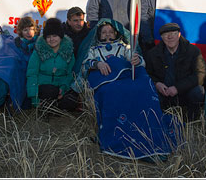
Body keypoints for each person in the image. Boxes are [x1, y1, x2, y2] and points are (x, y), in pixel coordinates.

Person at [76, 19, 177, 160]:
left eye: (111, 32)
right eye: (104, 32)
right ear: (99, 34)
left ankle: (148, 132)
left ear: (116, 33)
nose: (107, 35)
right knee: (112, 93)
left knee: (144, 89)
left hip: (126, 80)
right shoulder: (93, 49)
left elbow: (138, 61)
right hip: (107, 83)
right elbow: (85, 64)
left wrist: (136, 59)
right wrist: (98, 64)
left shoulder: (123, 47)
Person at [145, 23, 206, 121]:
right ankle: (158, 120)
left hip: (184, 92)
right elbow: (147, 74)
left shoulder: (193, 51)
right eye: (166, 34)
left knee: (198, 91)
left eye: (173, 33)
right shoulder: (153, 54)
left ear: (179, 35)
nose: (170, 37)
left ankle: (191, 121)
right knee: (146, 91)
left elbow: (201, 74)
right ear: (161, 37)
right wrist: (157, 83)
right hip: (163, 93)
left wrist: (178, 88)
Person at [26, 18, 78, 111]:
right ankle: (47, 107)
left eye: (55, 36)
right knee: (50, 91)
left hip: (60, 87)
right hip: (43, 87)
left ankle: (54, 107)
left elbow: (69, 74)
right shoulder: (38, 51)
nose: (51, 39)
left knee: (71, 100)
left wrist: (63, 88)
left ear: (60, 36)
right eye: (48, 37)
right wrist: (34, 97)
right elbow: (32, 73)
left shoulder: (68, 51)